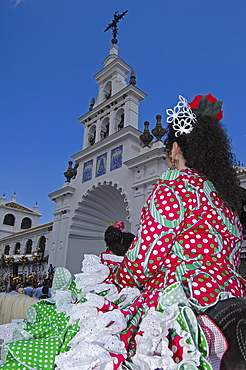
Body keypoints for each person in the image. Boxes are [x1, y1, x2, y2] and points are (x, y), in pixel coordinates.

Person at [1, 94, 245, 370]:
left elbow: (145, 260)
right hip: (229, 296)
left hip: (182, 299)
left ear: (175, 149)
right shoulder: (223, 200)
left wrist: (115, 279)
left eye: (168, 153)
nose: (168, 159)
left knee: (80, 336)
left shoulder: (174, 185)